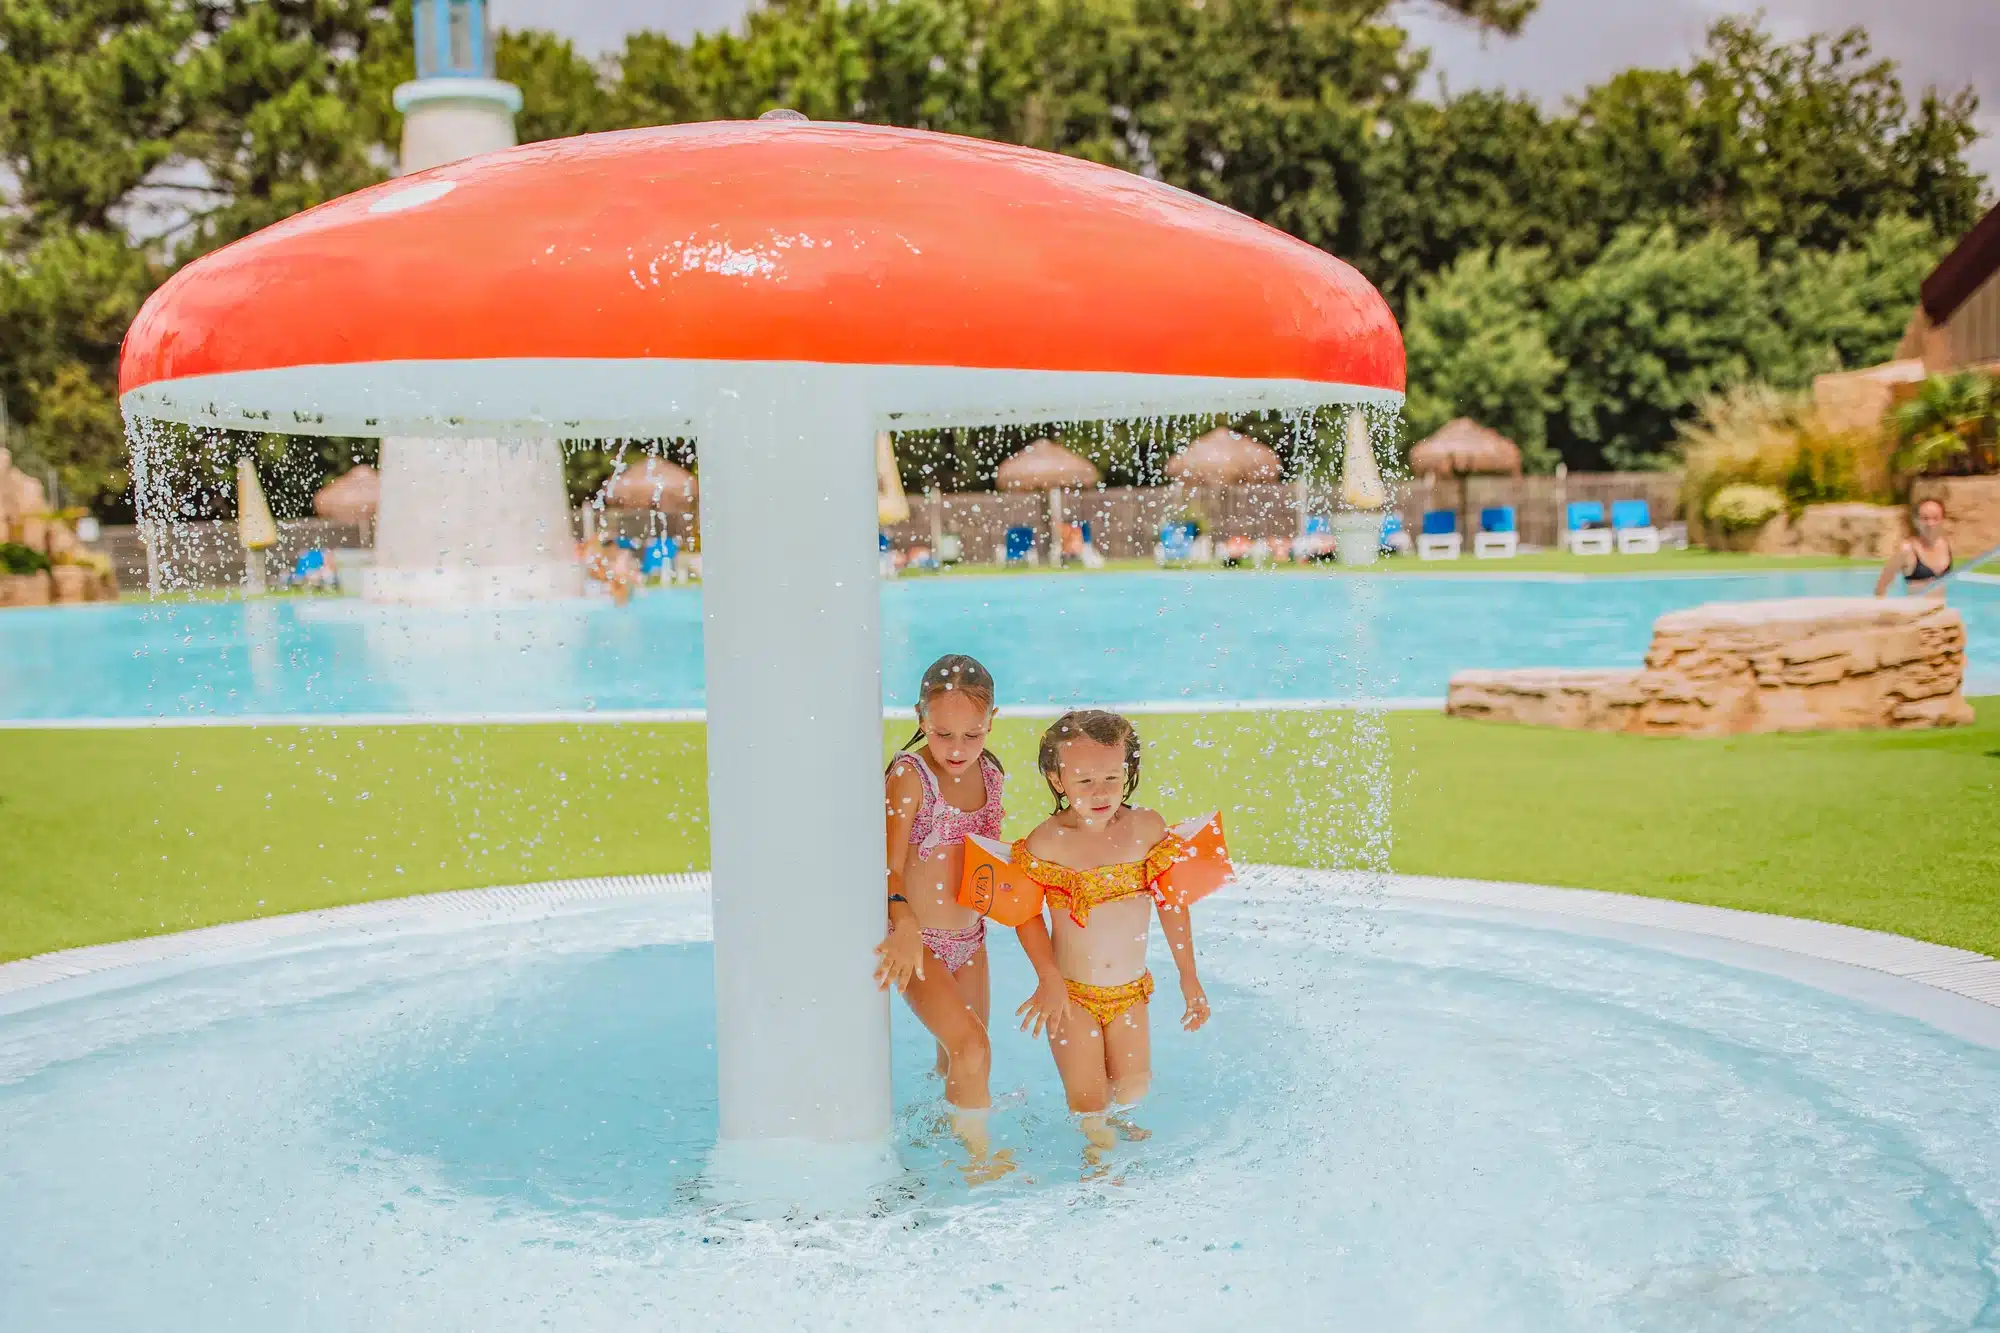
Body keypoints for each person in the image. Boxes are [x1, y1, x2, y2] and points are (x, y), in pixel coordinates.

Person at [1010, 710, 1210, 1171]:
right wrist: (1048, 978)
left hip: (1129, 993)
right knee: (1089, 1100)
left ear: (1129, 772)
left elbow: (1172, 903)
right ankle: (1100, 1162)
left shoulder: (1145, 830)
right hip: (1071, 995)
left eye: (1111, 777)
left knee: (1134, 1088)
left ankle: (1112, 1139)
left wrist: (1188, 977)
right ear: (1057, 780)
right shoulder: (1047, 843)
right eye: (1083, 781)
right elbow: (1023, 915)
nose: (1099, 792)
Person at [874, 653, 1012, 1182]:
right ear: (920, 718)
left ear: (992, 722)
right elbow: (886, 864)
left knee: (962, 1056)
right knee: (972, 1046)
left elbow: (989, 858)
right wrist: (902, 925)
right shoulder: (911, 776)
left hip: (969, 937)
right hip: (919, 939)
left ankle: (943, 1143)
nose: (957, 749)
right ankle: (978, 1160)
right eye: (942, 733)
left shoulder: (992, 774)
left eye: (972, 735)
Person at [1876, 497, 1952, 597]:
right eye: (1925, 518)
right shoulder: (1907, 550)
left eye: (1935, 518)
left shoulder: (1945, 545)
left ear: (1943, 520)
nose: (1930, 523)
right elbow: (1881, 586)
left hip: (1941, 610)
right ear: (1916, 521)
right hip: (1918, 611)